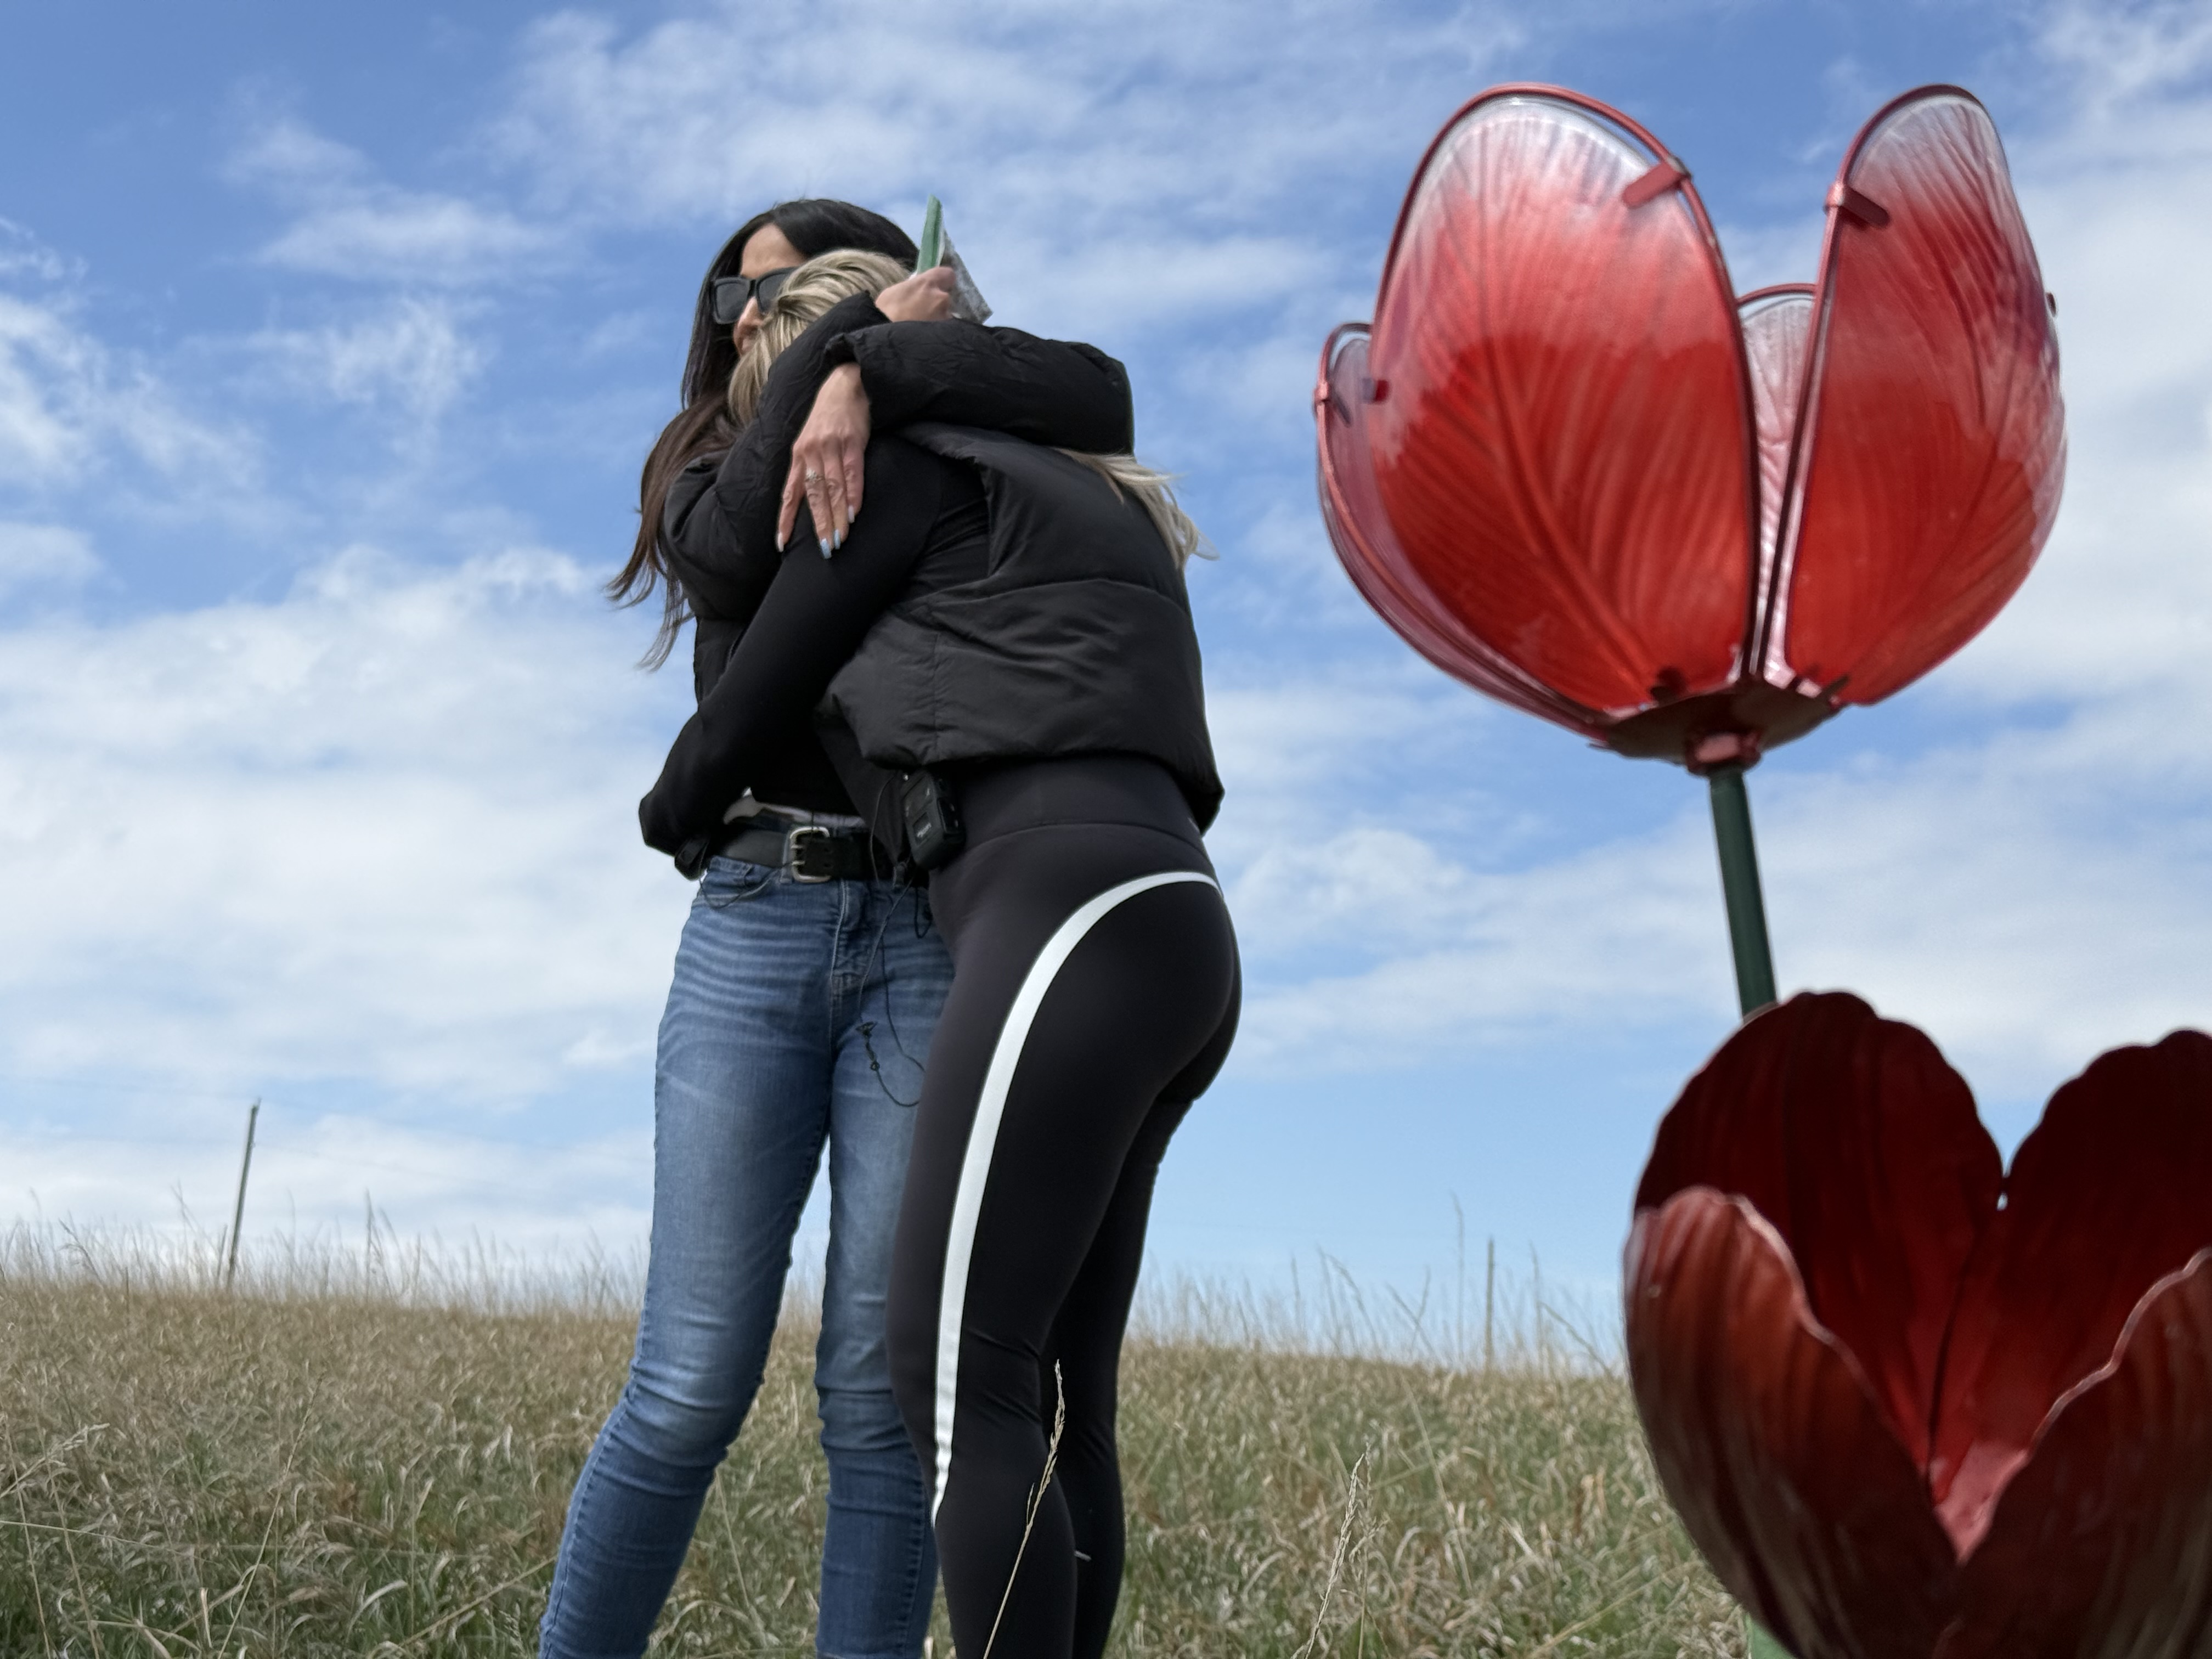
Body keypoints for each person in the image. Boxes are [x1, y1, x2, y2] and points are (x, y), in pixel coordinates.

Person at [541, 201, 1139, 1659]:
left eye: (788, 293)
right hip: (753, 918)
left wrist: (881, 370)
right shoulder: (714, 459)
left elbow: (1099, 395)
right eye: (734, 295)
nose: (754, 316)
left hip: (927, 924)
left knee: (881, 1405)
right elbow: (743, 558)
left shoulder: (922, 430)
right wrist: (848, 368)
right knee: (687, 1383)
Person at [639, 249, 1241, 1659]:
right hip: (1177, 927)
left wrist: (670, 814)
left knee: (954, 1389)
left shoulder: (901, 484)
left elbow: (748, 709)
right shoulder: (1094, 494)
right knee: (1056, 1398)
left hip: (1056, 926)